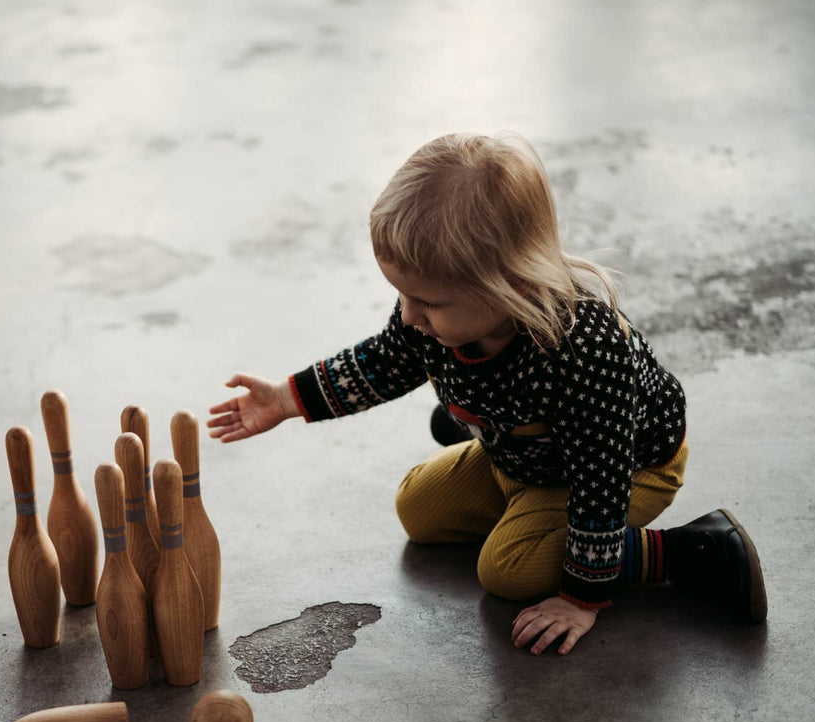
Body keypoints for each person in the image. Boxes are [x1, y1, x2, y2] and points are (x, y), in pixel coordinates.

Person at [208, 132, 765, 657]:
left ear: (512, 283)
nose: (409, 316)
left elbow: (601, 485)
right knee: (416, 508)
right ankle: (486, 422)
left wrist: (581, 597)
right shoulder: (434, 310)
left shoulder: (584, 352)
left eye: (427, 303)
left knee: (507, 570)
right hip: (530, 456)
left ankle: (694, 552)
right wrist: (286, 399)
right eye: (402, 295)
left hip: (628, 467)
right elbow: (381, 361)